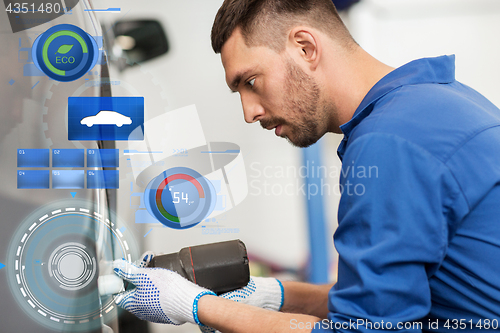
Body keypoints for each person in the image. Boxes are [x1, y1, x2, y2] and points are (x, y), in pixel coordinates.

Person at [112, 0, 500, 332]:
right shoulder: (436, 102)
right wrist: (277, 294)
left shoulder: (390, 142)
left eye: (250, 81)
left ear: (305, 47)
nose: (249, 113)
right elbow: (388, 302)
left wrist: (194, 306)